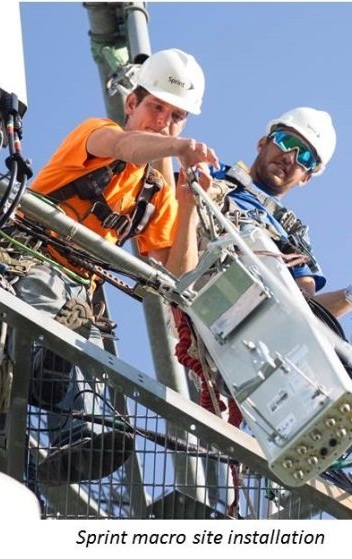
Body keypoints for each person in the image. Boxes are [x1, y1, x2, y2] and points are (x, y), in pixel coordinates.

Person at [13, 48, 219, 485]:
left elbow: (176, 270)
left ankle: (74, 438)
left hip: (75, 292)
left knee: (88, 352)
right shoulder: (97, 134)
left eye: (176, 117)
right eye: (156, 107)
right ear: (132, 103)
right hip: (26, 262)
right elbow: (127, 146)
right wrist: (180, 147)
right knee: (54, 315)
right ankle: (42, 376)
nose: (163, 121)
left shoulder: (155, 189)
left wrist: (186, 203)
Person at [207, 106, 352, 318]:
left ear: (306, 177)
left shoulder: (291, 235)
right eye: (286, 142)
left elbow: (304, 312)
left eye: (304, 157)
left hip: (240, 321)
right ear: (263, 143)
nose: (289, 157)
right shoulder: (211, 175)